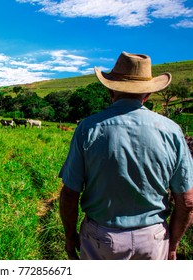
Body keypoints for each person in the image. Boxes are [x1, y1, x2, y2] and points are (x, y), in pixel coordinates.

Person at [58, 52, 193, 260]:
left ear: (111, 89)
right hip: (153, 240)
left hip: (100, 238)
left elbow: (69, 194)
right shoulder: (172, 131)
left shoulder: (88, 128)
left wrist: (69, 235)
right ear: (147, 95)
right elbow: (187, 200)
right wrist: (172, 245)